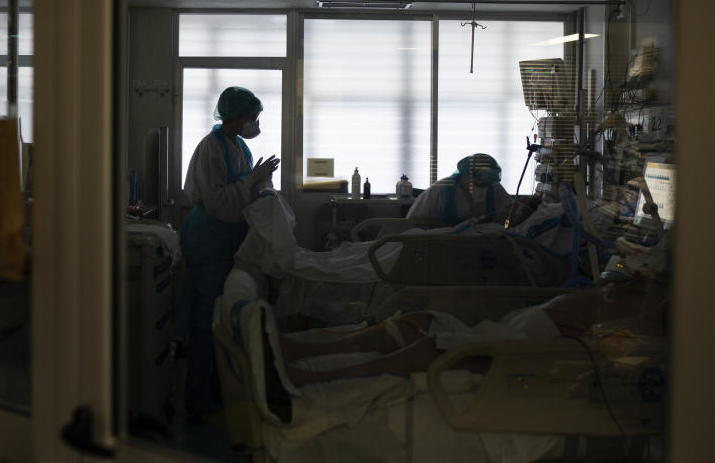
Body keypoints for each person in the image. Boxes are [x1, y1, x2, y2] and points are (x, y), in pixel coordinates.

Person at [277, 279, 666, 387]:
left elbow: (615, 348)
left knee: (436, 344)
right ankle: (295, 348)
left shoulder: (657, 315)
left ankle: (316, 376)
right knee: (419, 321)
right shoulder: (639, 284)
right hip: (514, 325)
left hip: (532, 346)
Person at [176, 86, 280, 415]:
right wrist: (253, 180)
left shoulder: (240, 148)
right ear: (234, 115)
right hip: (207, 241)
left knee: (221, 317)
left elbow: (244, 190)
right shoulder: (211, 148)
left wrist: (260, 184)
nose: (256, 123)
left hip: (226, 241)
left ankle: (216, 387)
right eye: (253, 116)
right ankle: (196, 398)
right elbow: (218, 201)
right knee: (204, 322)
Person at [406, 153, 515, 225]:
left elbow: (511, 213)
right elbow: (413, 223)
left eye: (486, 185)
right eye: (479, 183)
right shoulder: (440, 190)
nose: (483, 188)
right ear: (466, 175)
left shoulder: (494, 188)